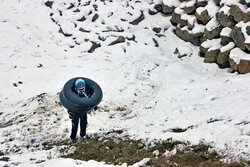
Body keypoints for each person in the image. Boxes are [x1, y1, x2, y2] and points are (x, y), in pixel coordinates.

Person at [68, 78, 90, 144]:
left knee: (84, 124)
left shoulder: (86, 92)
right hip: (75, 111)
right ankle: (72, 138)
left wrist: (93, 106)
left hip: (83, 111)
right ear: (76, 87)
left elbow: (91, 100)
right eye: (79, 86)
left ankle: (82, 136)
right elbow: (69, 103)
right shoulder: (73, 93)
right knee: (75, 125)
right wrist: (69, 112)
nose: (81, 87)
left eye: (82, 86)